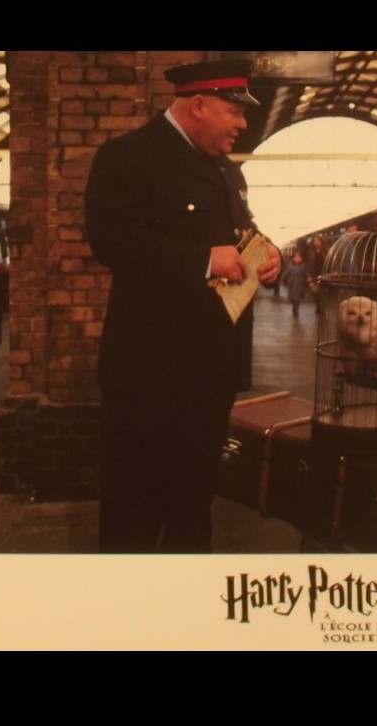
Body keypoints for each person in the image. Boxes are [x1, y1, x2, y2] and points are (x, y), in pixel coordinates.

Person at [84, 59, 282, 553]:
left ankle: (187, 595)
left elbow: (240, 233)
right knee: (135, 510)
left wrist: (268, 253)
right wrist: (203, 260)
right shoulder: (128, 157)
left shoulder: (224, 170)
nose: (242, 124)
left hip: (209, 374)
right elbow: (113, 240)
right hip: (150, 377)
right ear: (198, 105)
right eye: (234, 112)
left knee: (193, 506)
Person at [280, 252, 309, 316]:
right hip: (292, 285)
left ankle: (296, 308)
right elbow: (285, 273)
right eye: (296, 257)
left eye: (299, 257)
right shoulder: (290, 266)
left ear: (301, 258)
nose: (297, 259)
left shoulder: (303, 266)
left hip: (300, 284)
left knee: (298, 298)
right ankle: (294, 306)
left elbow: (306, 274)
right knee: (292, 298)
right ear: (293, 259)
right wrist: (281, 279)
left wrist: (307, 279)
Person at [307, 235, 327, 314]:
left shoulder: (326, 251)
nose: (316, 242)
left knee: (323, 292)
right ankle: (318, 305)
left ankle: (322, 307)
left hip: (324, 275)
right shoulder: (311, 252)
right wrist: (308, 275)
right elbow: (308, 264)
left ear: (321, 241)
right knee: (314, 292)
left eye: (318, 240)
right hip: (314, 275)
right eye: (315, 241)